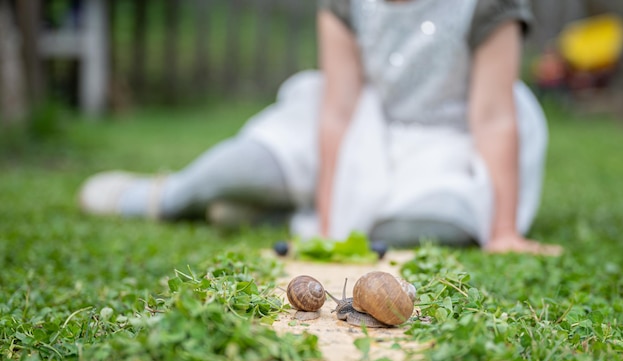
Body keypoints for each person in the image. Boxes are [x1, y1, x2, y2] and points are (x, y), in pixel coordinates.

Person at [79, 0, 562, 255]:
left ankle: (265, 217)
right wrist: (331, 221)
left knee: (437, 224)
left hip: (451, 138)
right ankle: (168, 196)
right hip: (363, 123)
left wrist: (502, 232)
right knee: (236, 166)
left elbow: (493, 116)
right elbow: (336, 110)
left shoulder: (487, 3)